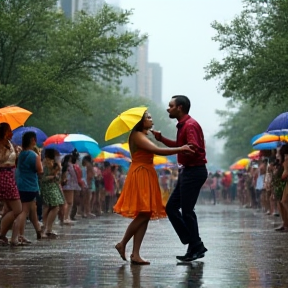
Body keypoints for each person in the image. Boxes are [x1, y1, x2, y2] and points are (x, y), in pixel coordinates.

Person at [114, 111, 193, 265]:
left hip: (146, 172)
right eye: (148, 118)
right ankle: (122, 243)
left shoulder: (142, 135)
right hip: (141, 173)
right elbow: (157, 151)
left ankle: (135, 254)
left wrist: (161, 138)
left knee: (146, 213)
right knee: (144, 213)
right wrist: (180, 148)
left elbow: (156, 148)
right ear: (140, 122)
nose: (151, 120)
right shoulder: (137, 135)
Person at [152, 95, 208, 262]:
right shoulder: (183, 125)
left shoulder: (190, 125)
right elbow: (180, 146)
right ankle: (193, 244)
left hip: (194, 171)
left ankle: (195, 245)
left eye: (171, 106)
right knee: (171, 208)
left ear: (180, 107)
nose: (168, 109)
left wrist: (186, 150)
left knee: (187, 211)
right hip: (187, 172)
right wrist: (161, 139)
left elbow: (192, 148)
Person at [10, 131, 43, 245]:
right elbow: (40, 170)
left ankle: (37, 230)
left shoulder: (20, 154)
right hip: (30, 186)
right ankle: (16, 235)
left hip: (20, 184)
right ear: (33, 140)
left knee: (32, 209)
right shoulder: (34, 155)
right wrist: (39, 158)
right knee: (24, 211)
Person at [0, 123, 22, 245]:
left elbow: (13, 161)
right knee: (17, 209)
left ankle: (2, 235)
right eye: (9, 130)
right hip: (4, 176)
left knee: (9, 208)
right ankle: (1, 233)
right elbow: (2, 159)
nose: (11, 133)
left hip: (11, 176)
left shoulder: (10, 144)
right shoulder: (2, 145)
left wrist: (17, 153)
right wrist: (7, 151)